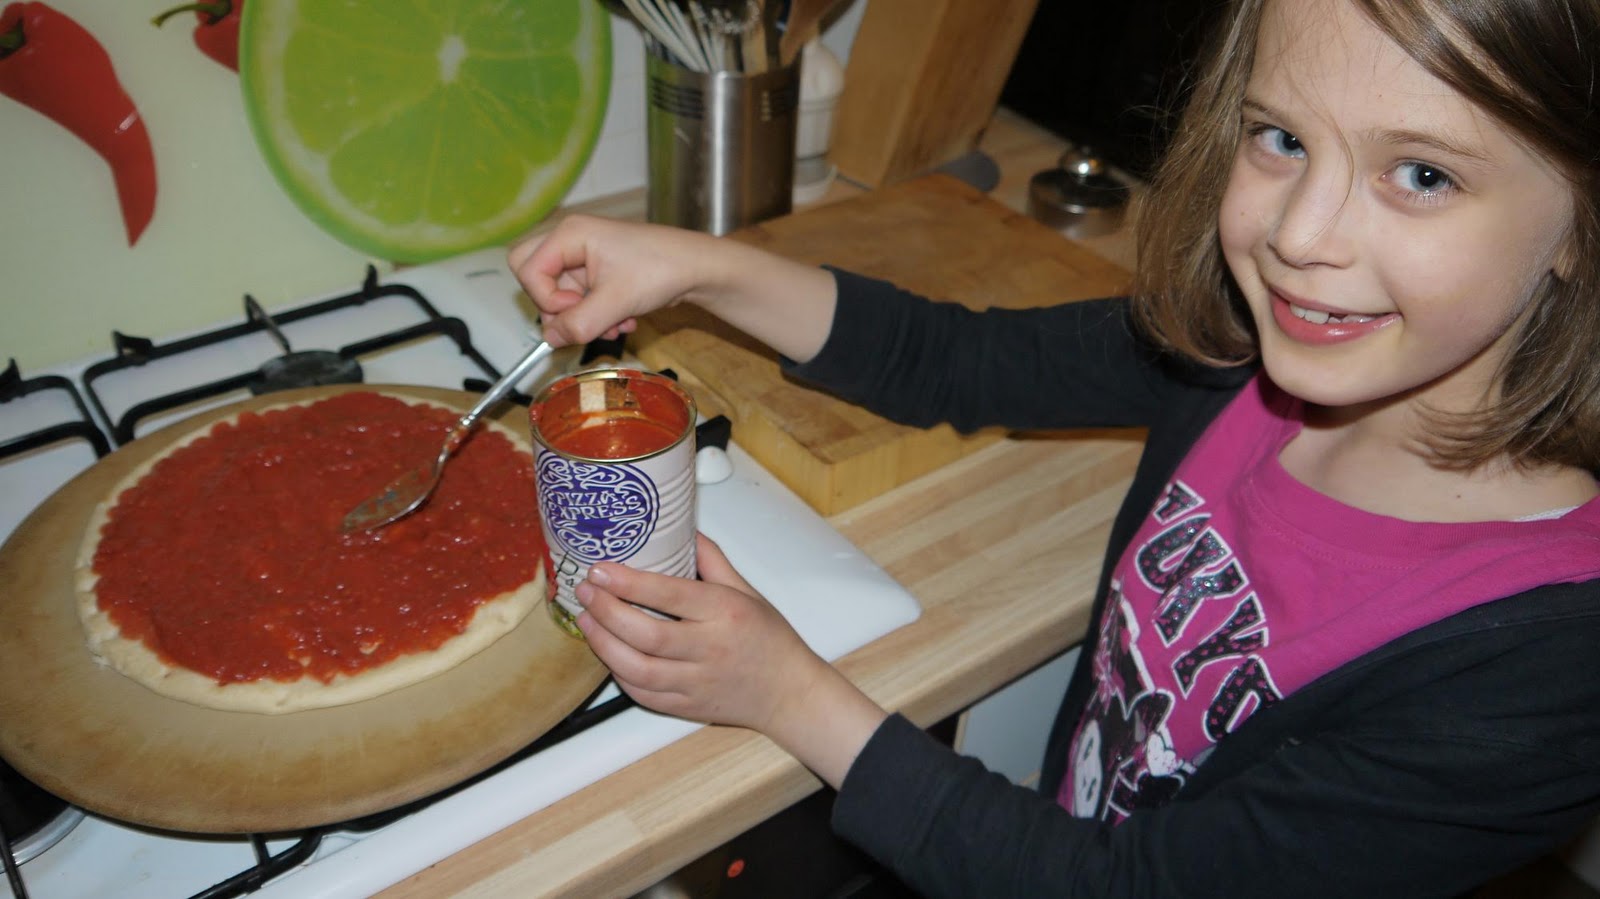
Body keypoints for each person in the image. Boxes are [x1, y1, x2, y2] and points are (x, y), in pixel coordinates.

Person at [506, 0, 1600, 893]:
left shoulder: (1546, 669)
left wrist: (788, 691)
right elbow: (958, 360)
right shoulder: (1234, 347)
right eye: (1281, 138)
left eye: (1423, 175)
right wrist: (698, 265)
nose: (1298, 236)